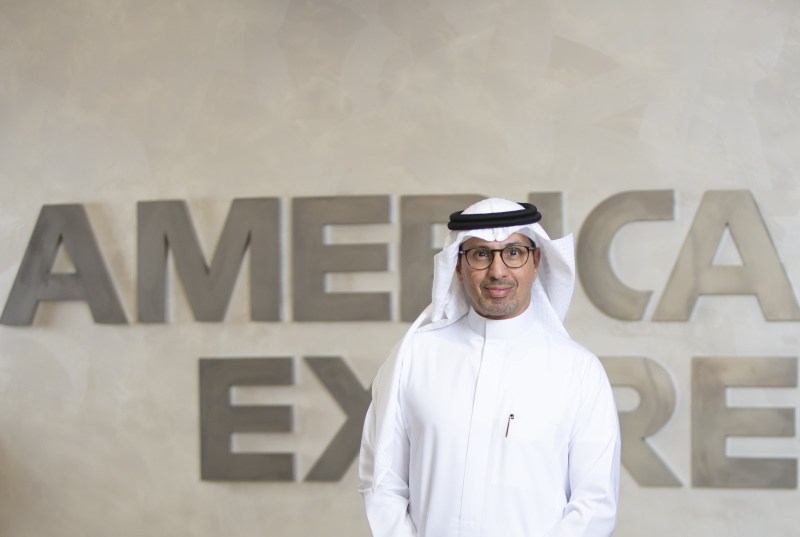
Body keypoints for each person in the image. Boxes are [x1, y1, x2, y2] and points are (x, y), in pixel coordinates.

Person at [358, 198, 621, 537]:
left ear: (535, 261)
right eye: (481, 254)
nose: (498, 271)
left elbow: (594, 504)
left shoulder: (579, 370)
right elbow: (381, 480)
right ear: (458, 266)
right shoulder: (413, 358)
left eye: (513, 252)